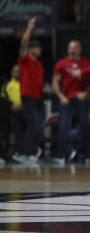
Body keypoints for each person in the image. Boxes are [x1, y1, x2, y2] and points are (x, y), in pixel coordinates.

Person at [52, 40, 90, 163]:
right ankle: (60, 155)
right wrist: (60, 96)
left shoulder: (86, 64)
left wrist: (86, 93)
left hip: (80, 98)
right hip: (66, 99)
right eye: (70, 48)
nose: (72, 50)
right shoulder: (62, 63)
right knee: (63, 127)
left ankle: (87, 155)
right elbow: (55, 82)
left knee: (84, 126)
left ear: (79, 50)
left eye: (74, 48)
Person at [15, 17, 45, 164]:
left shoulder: (39, 64)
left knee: (38, 127)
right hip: (27, 96)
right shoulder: (26, 60)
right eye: (37, 48)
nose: (40, 50)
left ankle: (31, 153)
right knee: (33, 125)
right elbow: (23, 45)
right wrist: (29, 28)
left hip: (38, 97)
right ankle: (21, 153)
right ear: (31, 49)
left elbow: (39, 81)